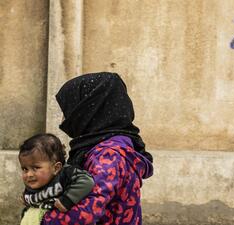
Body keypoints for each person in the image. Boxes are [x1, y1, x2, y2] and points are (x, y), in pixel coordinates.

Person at [42, 72, 153, 225]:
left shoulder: (108, 155)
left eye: (68, 111)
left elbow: (88, 211)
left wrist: (41, 219)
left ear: (88, 112)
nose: (64, 121)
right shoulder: (114, 147)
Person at [19, 133, 95, 224]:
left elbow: (87, 181)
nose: (29, 174)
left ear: (56, 168)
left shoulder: (65, 175)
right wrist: (26, 198)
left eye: (36, 168)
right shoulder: (36, 183)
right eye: (25, 169)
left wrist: (67, 200)